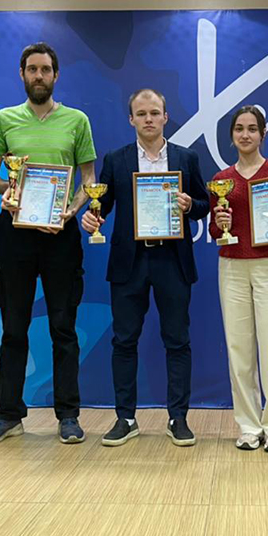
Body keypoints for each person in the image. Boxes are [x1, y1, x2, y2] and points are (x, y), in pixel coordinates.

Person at [0, 43, 97, 447]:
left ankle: (68, 415)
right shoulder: (4, 119)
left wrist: (71, 211)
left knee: (64, 327)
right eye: (32, 69)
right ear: (22, 74)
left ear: (56, 75)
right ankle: (9, 415)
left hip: (61, 235)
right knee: (14, 328)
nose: (39, 75)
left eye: (46, 69)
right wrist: (11, 192)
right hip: (15, 234)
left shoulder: (77, 121)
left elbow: (88, 181)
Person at [80, 89, 209, 447]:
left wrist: (190, 205)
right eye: (141, 113)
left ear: (166, 116)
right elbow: (101, 205)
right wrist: (91, 219)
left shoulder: (186, 157)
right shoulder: (116, 159)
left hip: (173, 260)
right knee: (124, 341)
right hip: (129, 262)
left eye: (154, 112)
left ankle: (178, 417)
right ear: (131, 119)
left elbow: (204, 203)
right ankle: (125, 418)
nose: (148, 119)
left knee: (177, 340)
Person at [208, 105, 268, 452]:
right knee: (239, 348)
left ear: (263, 134)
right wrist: (219, 222)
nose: (245, 135)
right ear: (232, 135)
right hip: (232, 265)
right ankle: (248, 425)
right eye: (239, 129)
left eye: (251, 129)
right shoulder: (221, 179)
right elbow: (215, 231)